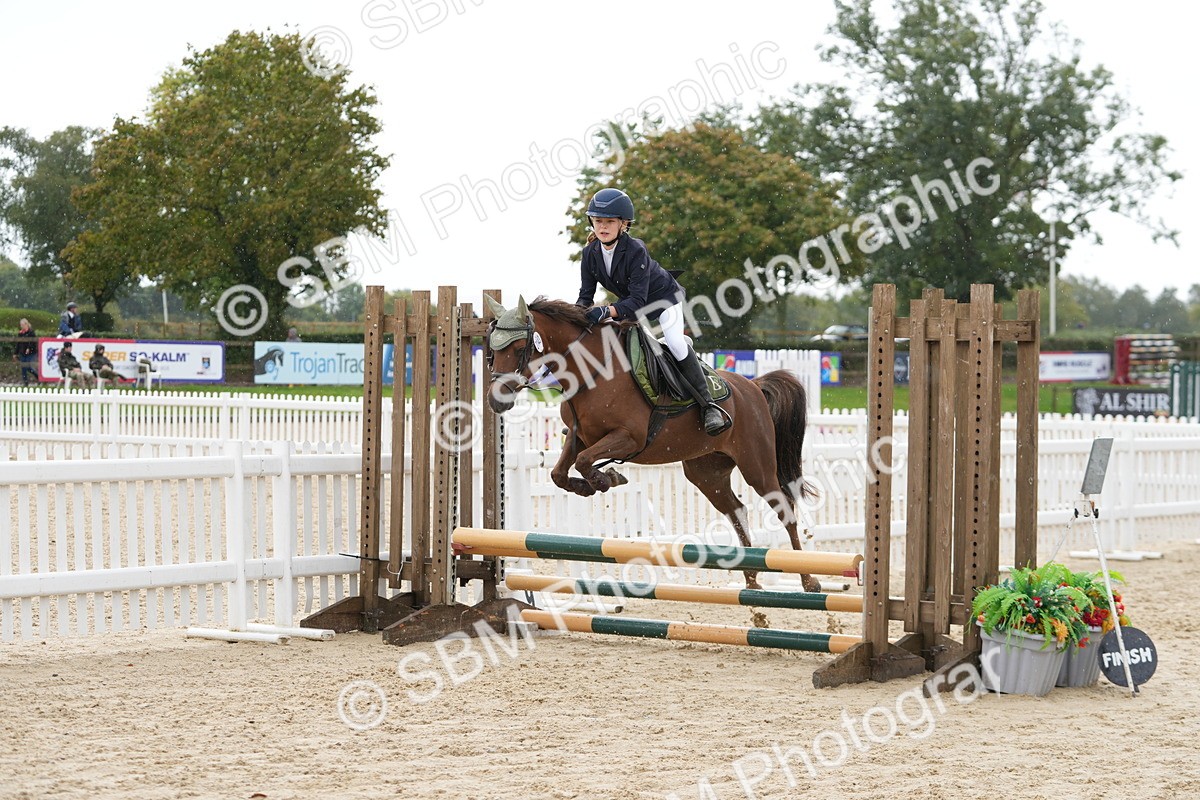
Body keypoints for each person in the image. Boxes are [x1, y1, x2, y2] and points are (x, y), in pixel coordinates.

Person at [575, 187, 730, 435]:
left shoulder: (635, 250)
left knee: (676, 343)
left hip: (663, 300)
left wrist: (605, 312)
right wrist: (576, 319)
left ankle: (708, 405)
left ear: (623, 224)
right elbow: (585, 296)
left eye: (609, 222)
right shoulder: (589, 254)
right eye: (598, 221)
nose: (602, 227)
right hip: (631, 304)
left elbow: (637, 301)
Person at [14, 318, 38, 386]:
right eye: (20, 325)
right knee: (23, 368)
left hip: (31, 353)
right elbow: (18, 344)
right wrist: (15, 353)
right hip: (22, 353)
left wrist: (29, 348)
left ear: (26, 324)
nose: (21, 326)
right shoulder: (20, 333)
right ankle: (25, 383)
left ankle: (38, 377)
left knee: (29, 367)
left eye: (22, 325)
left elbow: (33, 343)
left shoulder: (31, 332)